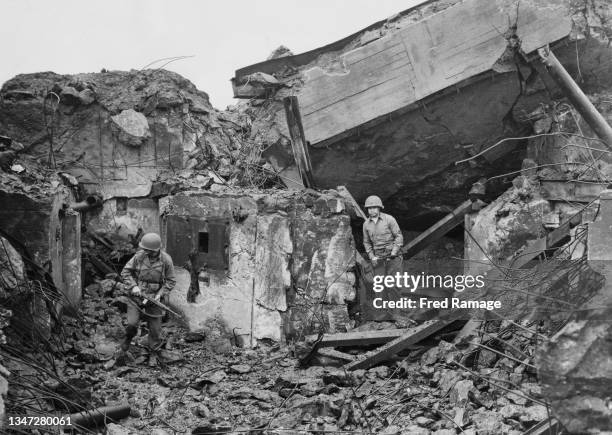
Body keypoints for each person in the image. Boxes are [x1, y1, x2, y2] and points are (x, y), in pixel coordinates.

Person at [120, 232, 176, 365]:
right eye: (144, 249)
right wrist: (133, 286)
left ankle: (153, 352)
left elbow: (171, 281)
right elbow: (125, 272)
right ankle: (127, 339)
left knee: (156, 330)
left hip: (154, 300)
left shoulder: (166, 260)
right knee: (132, 324)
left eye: (148, 250)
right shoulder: (139, 256)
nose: (145, 251)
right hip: (137, 297)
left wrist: (160, 294)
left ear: (156, 250)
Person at [362, 195, 404, 277]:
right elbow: (366, 242)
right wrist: (372, 257)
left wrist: (394, 251)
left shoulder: (389, 219)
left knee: (394, 283)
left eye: (374, 207)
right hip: (378, 257)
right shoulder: (366, 224)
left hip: (393, 255)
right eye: (369, 208)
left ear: (379, 208)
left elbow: (399, 236)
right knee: (379, 283)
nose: (371, 210)